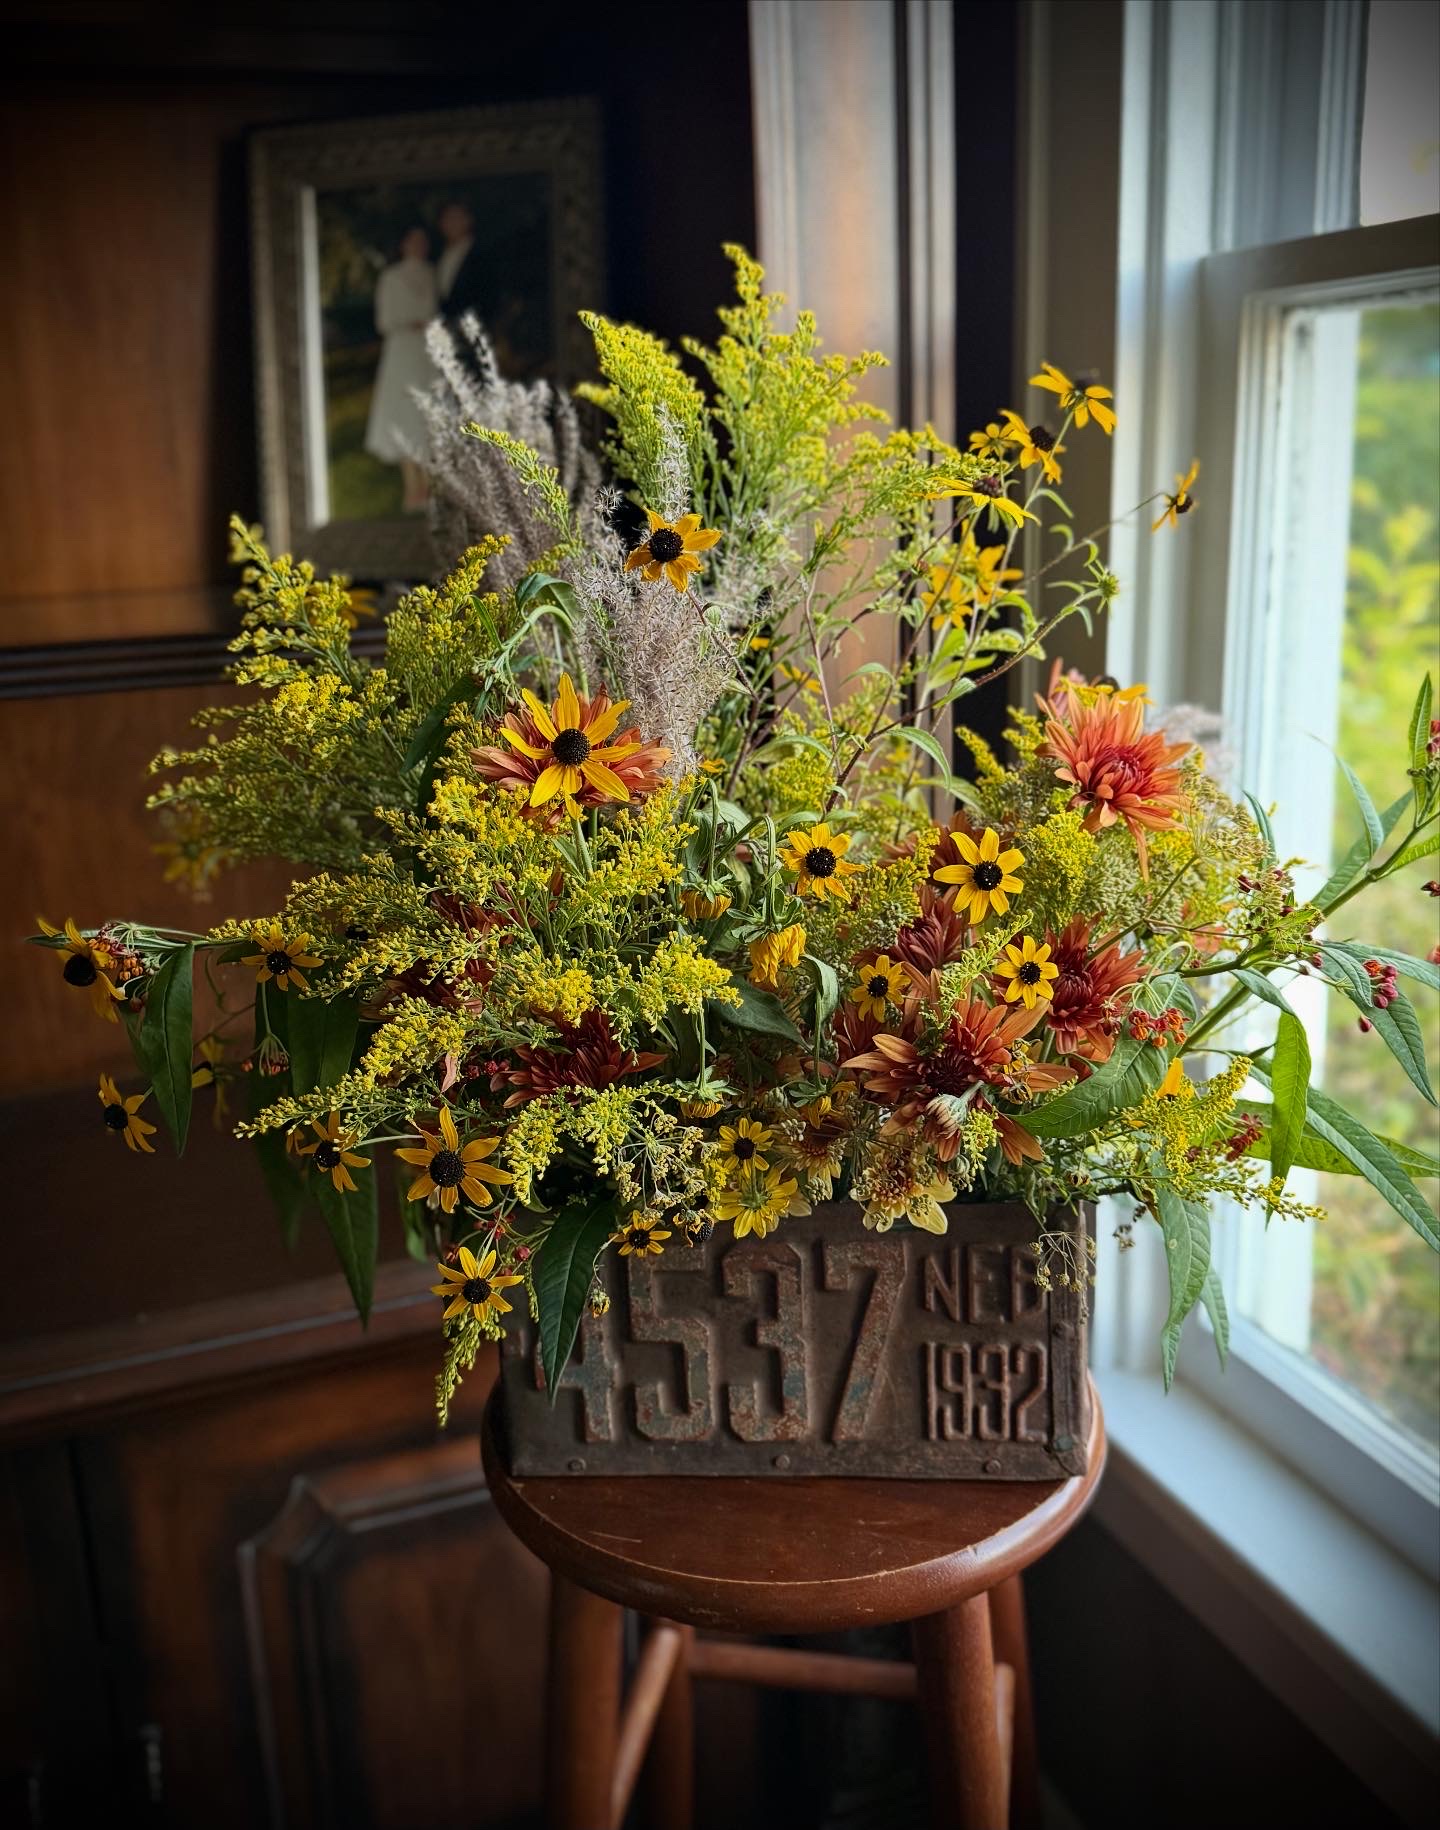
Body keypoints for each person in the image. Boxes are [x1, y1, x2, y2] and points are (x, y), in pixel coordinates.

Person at [363, 225, 437, 511]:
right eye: (414, 240)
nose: (419, 245)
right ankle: (412, 486)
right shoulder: (391, 277)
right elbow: (384, 321)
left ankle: (430, 486)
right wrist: (410, 324)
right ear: (404, 244)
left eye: (423, 240)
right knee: (405, 411)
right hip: (403, 351)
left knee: (427, 411)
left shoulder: (431, 273)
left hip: (427, 352)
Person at [437, 199, 486, 320]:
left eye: (457, 218)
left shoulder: (481, 254)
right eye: (447, 218)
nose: (452, 223)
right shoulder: (437, 255)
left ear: (468, 220)